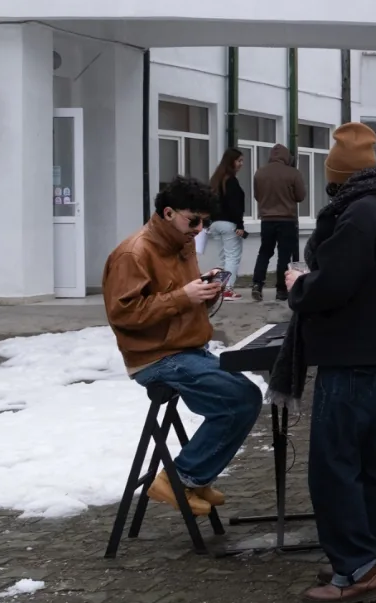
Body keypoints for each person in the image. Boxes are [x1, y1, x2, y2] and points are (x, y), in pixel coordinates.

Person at [282, 123, 376, 603]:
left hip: (347, 357)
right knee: (371, 463)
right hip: (370, 355)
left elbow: (332, 286)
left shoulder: (357, 216)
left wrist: (300, 281)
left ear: (338, 174)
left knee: (334, 468)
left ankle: (356, 569)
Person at [102, 177, 263, 517]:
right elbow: (123, 313)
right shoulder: (134, 253)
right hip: (155, 357)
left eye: (204, 222)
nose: (199, 228)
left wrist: (205, 291)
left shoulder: (183, 243)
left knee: (243, 396)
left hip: (186, 348)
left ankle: (194, 478)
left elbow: (180, 295)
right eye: (194, 221)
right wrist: (183, 297)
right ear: (168, 212)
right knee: (241, 399)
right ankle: (179, 478)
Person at [251, 143, 306, 302]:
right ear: (286, 156)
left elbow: (257, 196)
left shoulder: (260, 173)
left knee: (264, 252)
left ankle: (257, 284)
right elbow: (300, 196)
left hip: (267, 220)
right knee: (284, 255)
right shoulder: (293, 173)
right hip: (287, 219)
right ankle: (281, 290)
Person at [206, 149, 248, 301]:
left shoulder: (216, 180)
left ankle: (221, 288)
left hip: (215, 224)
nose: (241, 164)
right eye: (239, 161)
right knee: (232, 257)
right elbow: (235, 206)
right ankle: (228, 289)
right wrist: (240, 225)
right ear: (231, 161)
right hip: (229, 224)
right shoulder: (231, 181)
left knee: (223, 258)